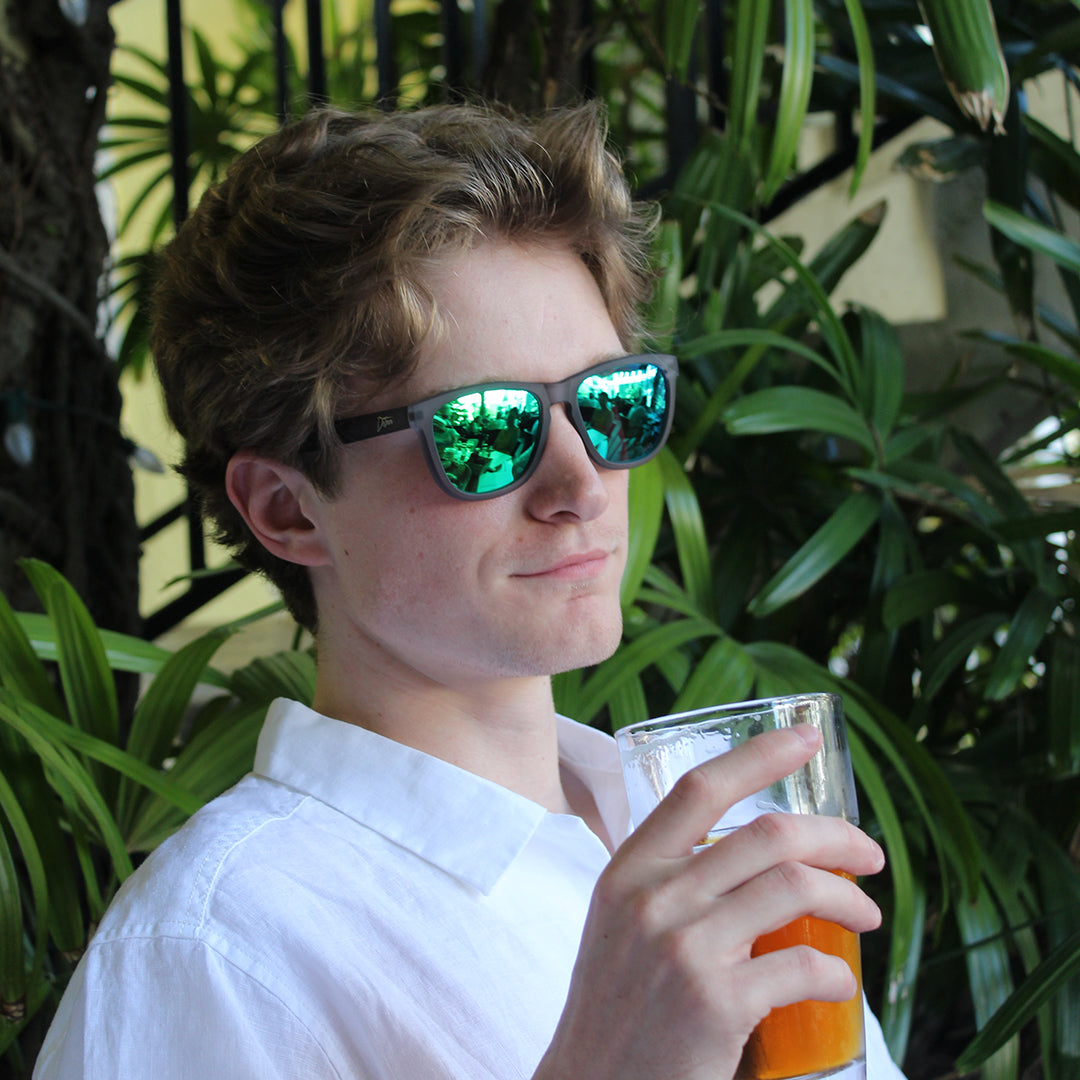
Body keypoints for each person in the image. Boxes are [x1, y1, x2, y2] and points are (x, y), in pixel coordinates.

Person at [34, 102, 903, 1080]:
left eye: (613, 403)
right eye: (485, 430)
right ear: (287, 508)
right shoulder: (213, 953)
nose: (581, 486)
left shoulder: (696, 835)